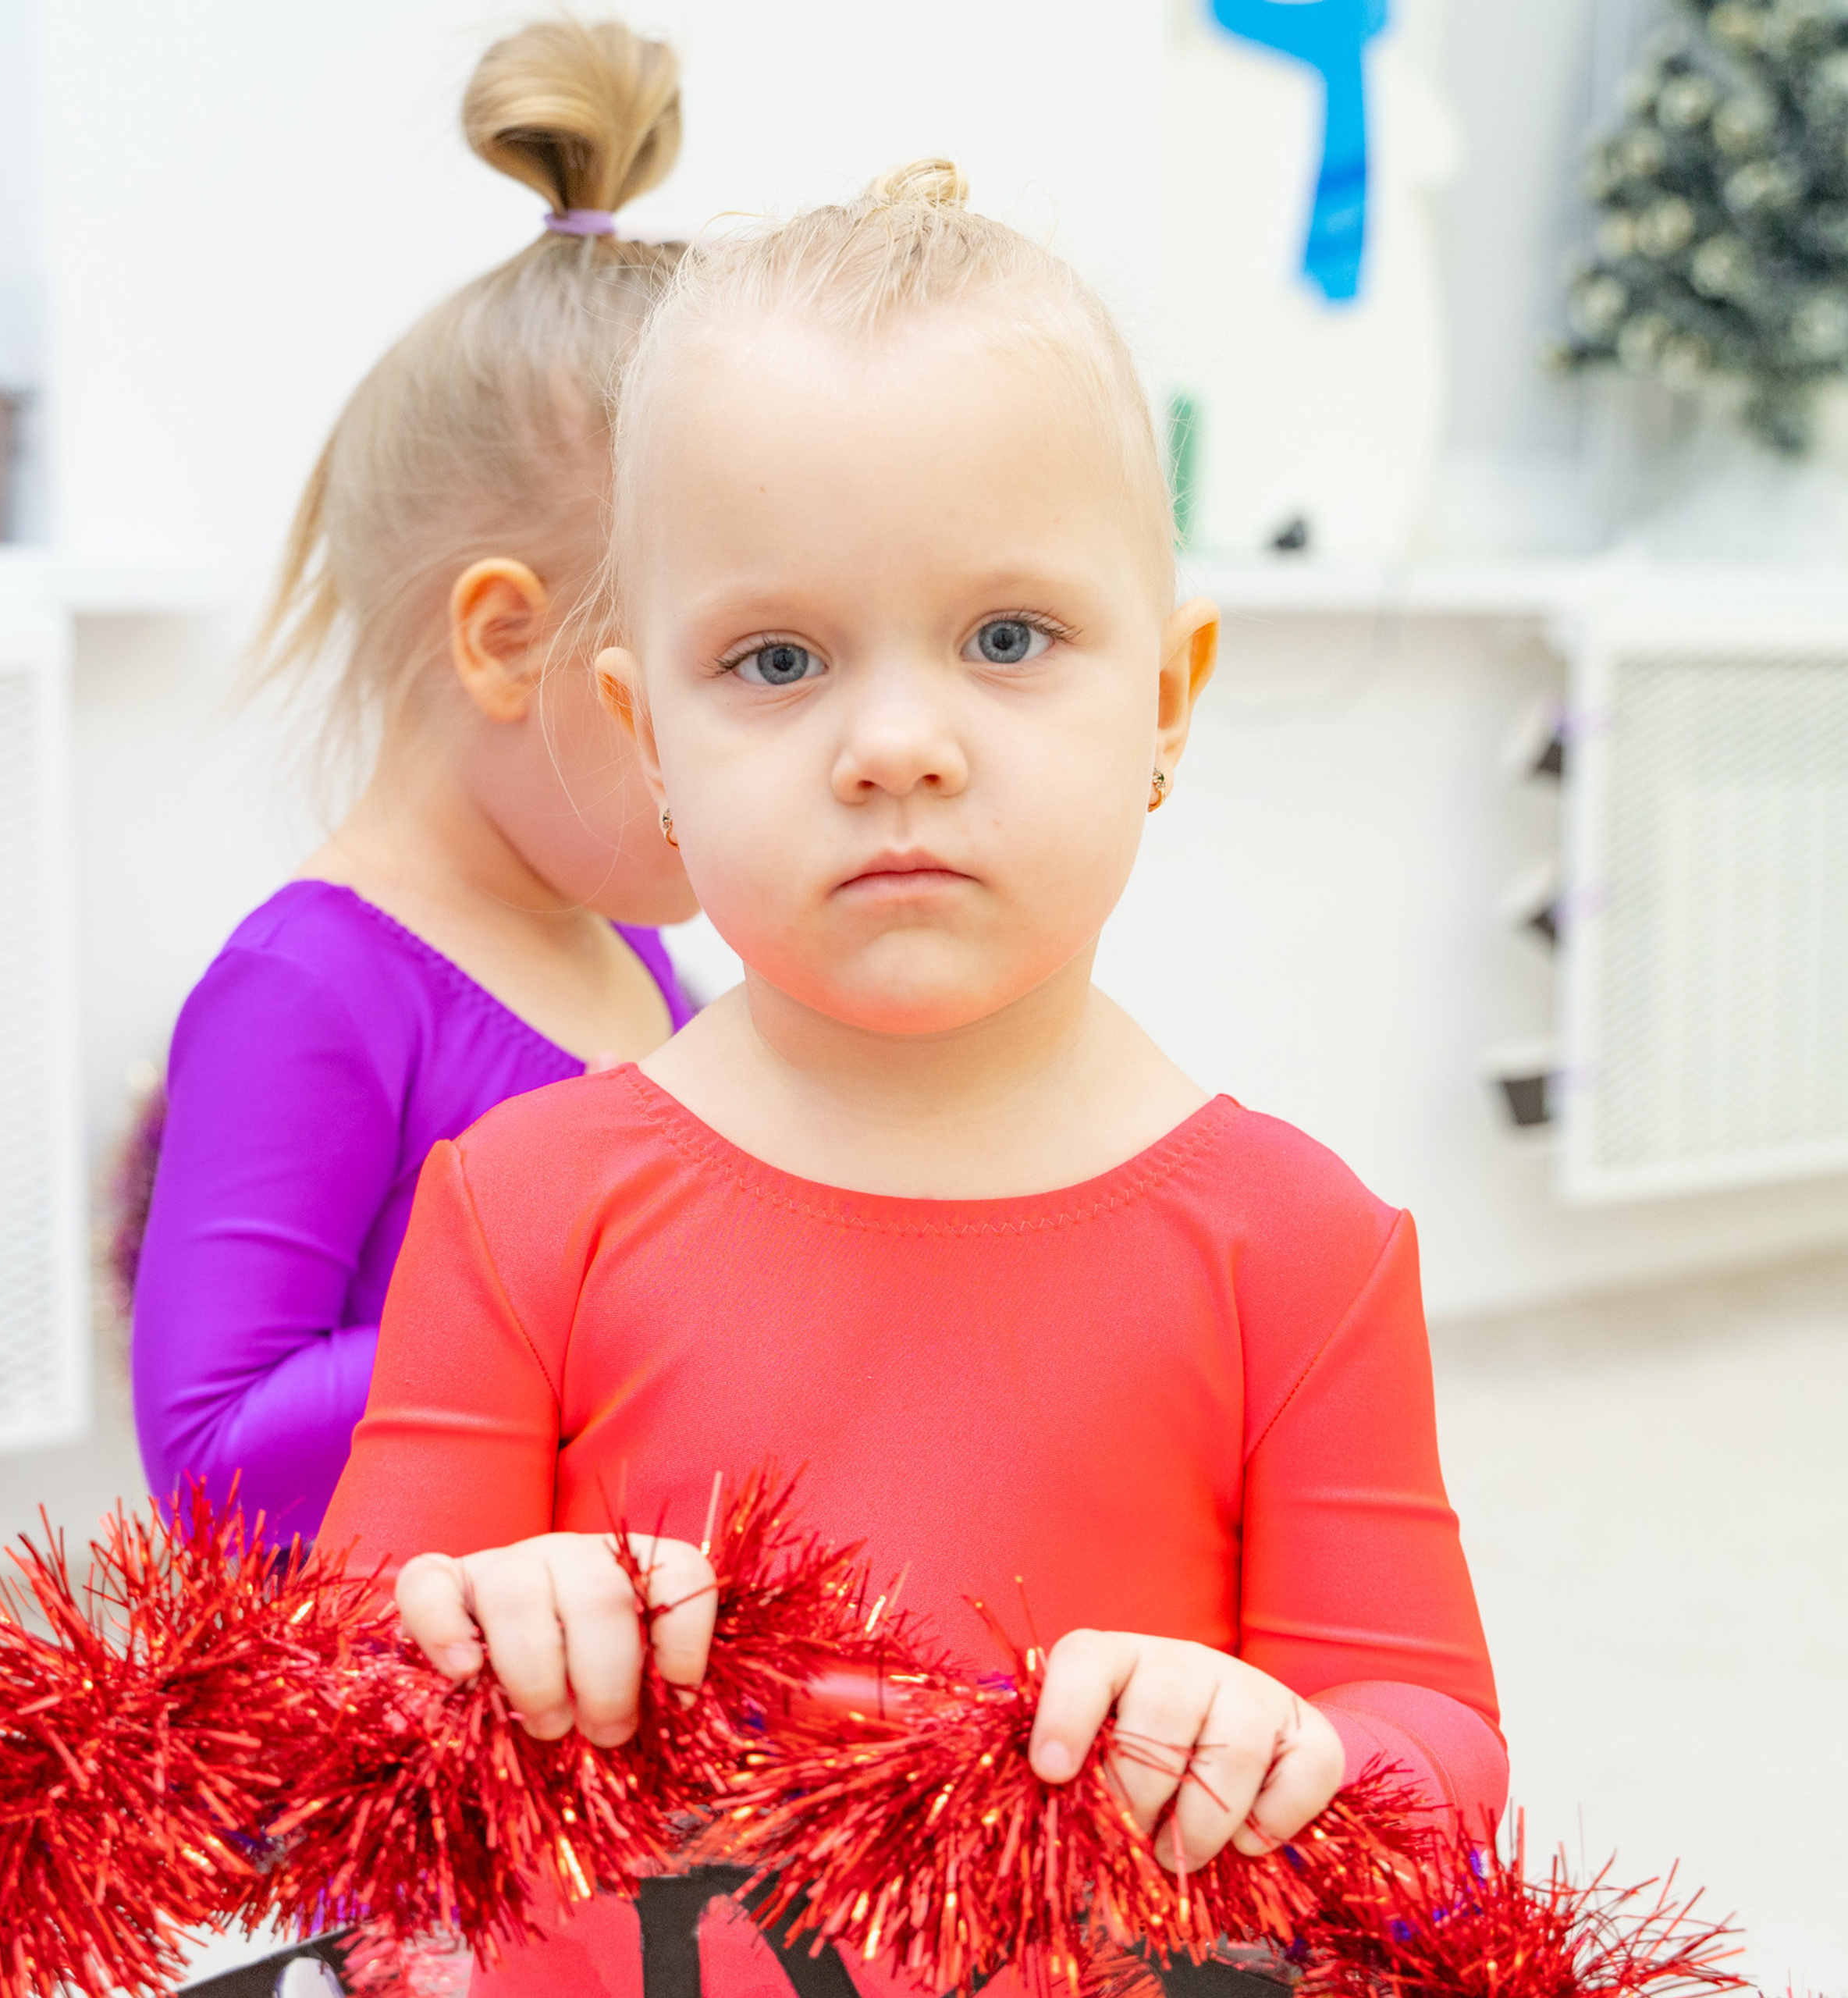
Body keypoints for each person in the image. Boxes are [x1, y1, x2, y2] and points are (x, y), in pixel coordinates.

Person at [320, 159, 1507, 1997]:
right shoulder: (520, 1202)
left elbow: (1436, 1768)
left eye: (1007, 639)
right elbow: (327, 1742)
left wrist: (1294, 1751)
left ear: (1169, 704)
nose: (892, 745)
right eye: (775, 658)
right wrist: (472, 1628)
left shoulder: (1302, 1245)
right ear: (644, 737)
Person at [133, 21, 699, 1548]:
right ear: (507, 640)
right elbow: (207, 1455)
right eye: (732, 677)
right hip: (386, 1755)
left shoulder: (632, 943)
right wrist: (586, 1317)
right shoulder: (306, 988)